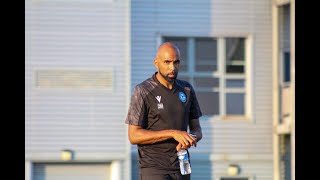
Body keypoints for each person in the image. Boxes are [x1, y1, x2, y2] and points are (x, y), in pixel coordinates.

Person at [125, 42, 203, 180]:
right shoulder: (143, 91)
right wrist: (173, 133)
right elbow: (134, 136)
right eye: (167, 62)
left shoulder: (187, 89)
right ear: (156, 63)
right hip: (154, 168)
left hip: (182, 165)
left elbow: (197, 129)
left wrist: (191, 138)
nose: (172, 67)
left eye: (176, 62)